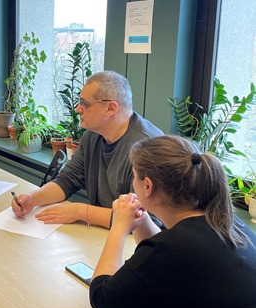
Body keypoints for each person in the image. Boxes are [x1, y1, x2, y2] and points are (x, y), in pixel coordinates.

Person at [90, 135, 256, 308]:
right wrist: (141, 221)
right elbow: (169, 256)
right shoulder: (229, 225)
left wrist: (118, 227)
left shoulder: (171, 249)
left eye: (133, 176)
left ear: (147, 186)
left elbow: (103, 298)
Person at [11, 70, 163, 228]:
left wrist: (80, 211)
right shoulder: (93, 135)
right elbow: (67, 180)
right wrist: (32, 198)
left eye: (85, 104)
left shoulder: (148, 147)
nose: (77, 109)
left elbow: (142, 218)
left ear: (111, 108)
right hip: (106, 232)